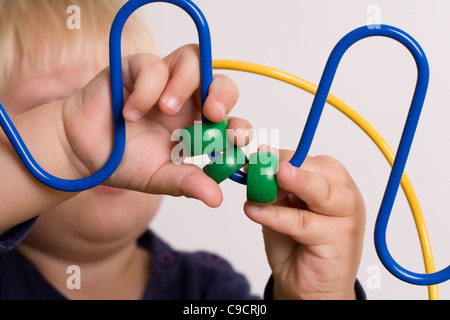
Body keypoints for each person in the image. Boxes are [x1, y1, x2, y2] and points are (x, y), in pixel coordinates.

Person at [0, 0, 366, 300]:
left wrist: (318, 294)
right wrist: (65, 145)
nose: (111, 131)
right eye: (56, 106)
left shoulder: (207, 291)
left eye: (131, 100)